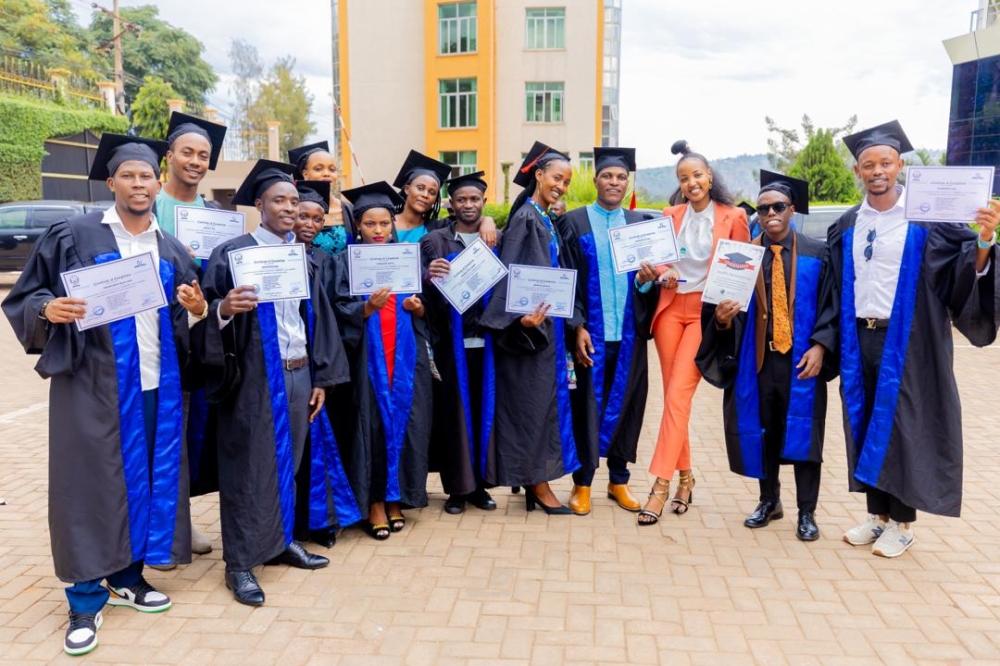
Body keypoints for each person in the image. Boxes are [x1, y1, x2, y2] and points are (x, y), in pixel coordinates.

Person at [2, 133, 209, 656]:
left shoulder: (172, 248)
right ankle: (85, 597)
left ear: (158, 183)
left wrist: (198, 308)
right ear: (112, 181)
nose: (139, 184)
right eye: (129, 176)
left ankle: (127, 576)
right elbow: (30, 295)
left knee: (144, 479)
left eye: (147, 176)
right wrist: (49, 310)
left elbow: (187, 317)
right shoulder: (74, 233)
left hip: (154, 385)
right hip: (93, 384)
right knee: (89, 484)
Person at [828, 121, 1000, 557]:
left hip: (910, 342)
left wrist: (984, 239)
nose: (877, 170)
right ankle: (877, 516)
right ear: (857, 172)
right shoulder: (849, 223)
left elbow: (963, 269)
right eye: (868, 165)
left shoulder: (927, 219)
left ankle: (902, 524)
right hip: (860, 339)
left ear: (900, 165)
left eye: (885, 162)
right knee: (865, 422)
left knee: (906, 427)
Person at [199, 160, 350, 606]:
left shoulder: (300, 256)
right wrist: (224, 308)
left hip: (300, 372)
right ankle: (240, 562)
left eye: (292, 201)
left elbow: (316, 321)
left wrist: (321, 374)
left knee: (292, 461)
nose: (288, 208)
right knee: (248, 467)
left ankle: (282, 541)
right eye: (279, 200)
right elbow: (200, 314)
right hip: (252, 379)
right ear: (259, 204)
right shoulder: (232, 253)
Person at [696, 171, 837, 541]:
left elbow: (831, 307)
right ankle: (769, 501)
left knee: (808, 436)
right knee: (764, 433)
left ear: (792, 210)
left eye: (778, 206)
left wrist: (822, 346)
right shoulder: (739, 256)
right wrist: (723, 322)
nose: (770, 213)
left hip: (802, 363)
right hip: (757, 362)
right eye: (763, 208)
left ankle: (807, 512)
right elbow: (716, 311)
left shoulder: (817, 253)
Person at [639, 151, 750, 525]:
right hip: (671, 309)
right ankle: (686, 478)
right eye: (684, 178)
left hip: (705, 314)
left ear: (709, 176)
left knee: (678, 396)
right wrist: (662, 273)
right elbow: (661, 261)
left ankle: (660, 484)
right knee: (674, 397)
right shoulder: (670, 217)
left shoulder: (734, 218)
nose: (692, 183)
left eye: (697, 175)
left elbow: (743, 270)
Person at [557, 147, 658, 516]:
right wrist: (578, 325)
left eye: (620, 177)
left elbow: (649, 284)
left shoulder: (639, 224)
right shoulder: (576, 222)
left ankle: (619, 481)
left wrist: (648, 283)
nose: (614, 182)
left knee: (628, 406)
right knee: (586, 407)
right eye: (607, 176)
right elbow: (567, 279)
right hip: (592, 336)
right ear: (596, 179)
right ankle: (582, 484)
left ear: (627, 181)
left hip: (629, 335)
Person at [479, 142, 580, 514]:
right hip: (528, 333)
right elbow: (510, 274)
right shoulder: (527, 218)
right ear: (539, 175)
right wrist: (518, 318)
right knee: (533, 408)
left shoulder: (542, 217)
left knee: (540, 406)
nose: (561, 186)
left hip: (542, 329)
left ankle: (535, 479)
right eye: (557, 178)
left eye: (566, 182)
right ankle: (538, 483)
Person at [330, 181, 433, 540]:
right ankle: (374, 503)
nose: (378, 231)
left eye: (384, 224)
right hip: (367, 360)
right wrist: (365, 309)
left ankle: (396, 498)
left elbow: (421, 305)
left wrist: (417, 308)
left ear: (392, 224)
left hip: (403, 356)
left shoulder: (406, 256)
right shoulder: (346, 261)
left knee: (405, 423)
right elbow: (339, 310)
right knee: (371, 427)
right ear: (357, 225)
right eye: (370, 224)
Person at [152, 110, 228, 564]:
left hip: (197, 337)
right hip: (152, 333)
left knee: (189, 436)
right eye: (187, 152)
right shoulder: (148, 204)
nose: (196, 161)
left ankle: (181, 521)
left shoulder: (214, 216)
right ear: (169, 155)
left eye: (203, 155)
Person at [422, 171, 500, 514]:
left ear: (484, 202)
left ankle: (480, 487)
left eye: (475, 200)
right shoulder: (435, 240)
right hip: (449, 344)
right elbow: (419, 283)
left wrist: (491, 222)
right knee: (454, 418)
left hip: (487, 343)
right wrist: (428, 275)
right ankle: (457, 489)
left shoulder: (497, 236)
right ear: (451, 204)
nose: (468, 204)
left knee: (485, 414)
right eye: (462, 200)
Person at [293, 180, 364, 547]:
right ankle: (293, 527)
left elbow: (337, 312)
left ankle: (319, 522)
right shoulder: (273, 258)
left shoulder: (325, 261)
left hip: (320, 362)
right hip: (288, 365)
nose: (309, 222)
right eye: (302, 214)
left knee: (320, 446)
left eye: (318, 217)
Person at [392, 150, 499, 247]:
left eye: (432, 192)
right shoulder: (383, 223)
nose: (425, 195)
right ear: (407, 189)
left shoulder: (439, 227)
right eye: (420, 188)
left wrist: (487, 220)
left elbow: (467, 219)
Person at [288, 141, 354, 254]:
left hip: (343, 271)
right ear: (305, 174)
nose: (327, 173)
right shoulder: (293, 209)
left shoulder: (348, 210)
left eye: (332, 169)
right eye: (318, 169)